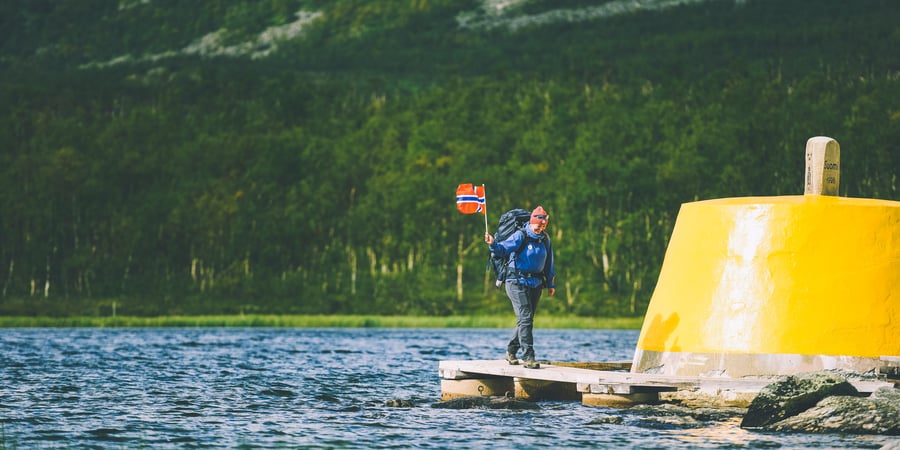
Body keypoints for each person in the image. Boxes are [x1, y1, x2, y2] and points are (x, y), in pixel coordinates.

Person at [484, 205, 556, 369]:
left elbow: (549, 262)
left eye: (543, 226)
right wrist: (493, 243)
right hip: (516, 281)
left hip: (536, 283)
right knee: (525, 319)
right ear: (532, 222)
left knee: (526, 320)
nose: (540, 229)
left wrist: (550, 283)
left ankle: (511, 351)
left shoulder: (545, 239)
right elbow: (502, 249)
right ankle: (529, 357)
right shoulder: (520, 235)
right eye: (538, 226)